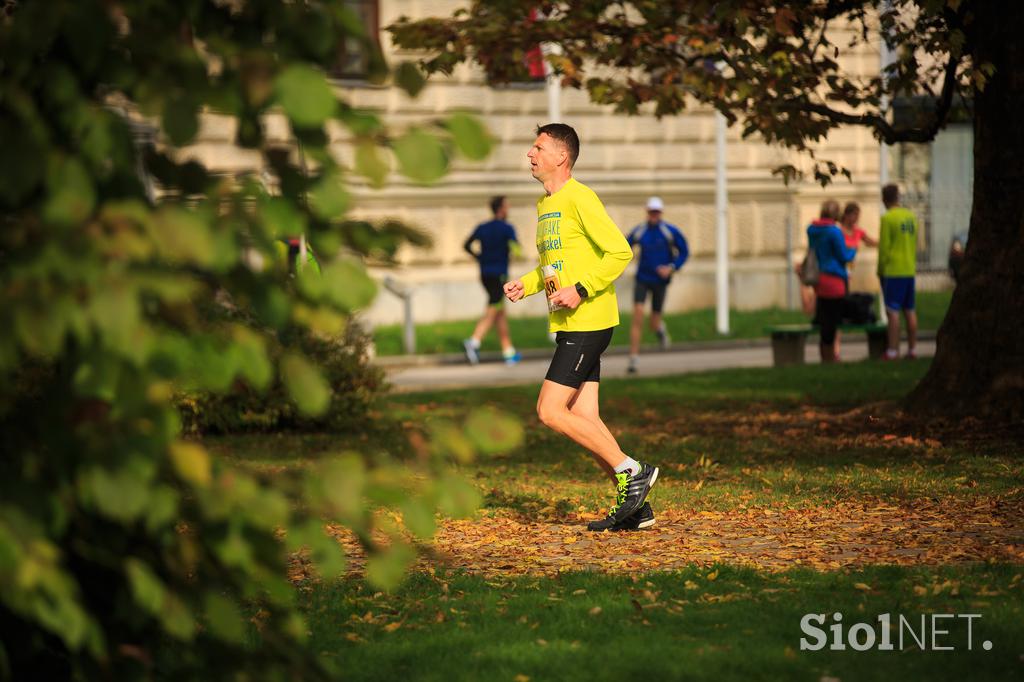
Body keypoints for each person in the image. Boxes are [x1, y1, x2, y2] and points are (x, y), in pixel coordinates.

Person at [503, 123, 659, 532]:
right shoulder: (545, 205)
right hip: (570, 321)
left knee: (550, 411)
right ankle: (637, 507)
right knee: (584, 418)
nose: (530, 154)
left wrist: (583, 289)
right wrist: (530, 283)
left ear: (561, 156)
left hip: (590, 320)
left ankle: (633, 469)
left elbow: (620, 251)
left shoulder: (580, 197)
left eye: (538, 147)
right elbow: (554, 265)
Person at [626, 196, 689, 374]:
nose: (654, 215)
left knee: (653, 322)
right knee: (637, 315)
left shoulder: (669, 231)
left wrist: (671, 267)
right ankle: (633, 359)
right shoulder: (640, 231)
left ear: (660, 213)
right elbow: (623, 247)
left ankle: (660, 329)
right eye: (651, 211)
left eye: (656, 212)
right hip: (642, 279)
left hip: (660, 281)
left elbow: (684, 252)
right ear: (647, 212)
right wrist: (620, 265)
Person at [462, 196, 522, 366]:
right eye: (507, 206)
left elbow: (466, 245)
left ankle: (508, 352)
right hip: (499, 275)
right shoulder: (507, 228)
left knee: (499, 310)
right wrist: (515, 250)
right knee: (494, 308)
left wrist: (479, 257)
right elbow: (517, 249)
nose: (508, 209)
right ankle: (474, 342)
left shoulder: (482, 227)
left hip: (484, 274)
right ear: (501, 209)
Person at [806, 200, 857, 363]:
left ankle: (824, 358)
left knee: (823, 321)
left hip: (819, 280)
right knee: (833, 323)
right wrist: (853, 249)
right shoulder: (834, 232)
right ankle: (831, 358)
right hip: (835, 281)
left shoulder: (811, 230)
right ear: (836, 215)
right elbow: (843, 256)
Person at [877, 184, 920, 360]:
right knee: (909, 310)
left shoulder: (888, 219)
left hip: (894, 271)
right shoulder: (911, 217)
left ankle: (893, 351)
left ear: (884, 199)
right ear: (898, 197)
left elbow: (884, 249)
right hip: (909, 269)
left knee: (892, 311)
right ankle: (912, 349)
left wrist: (880, 270)